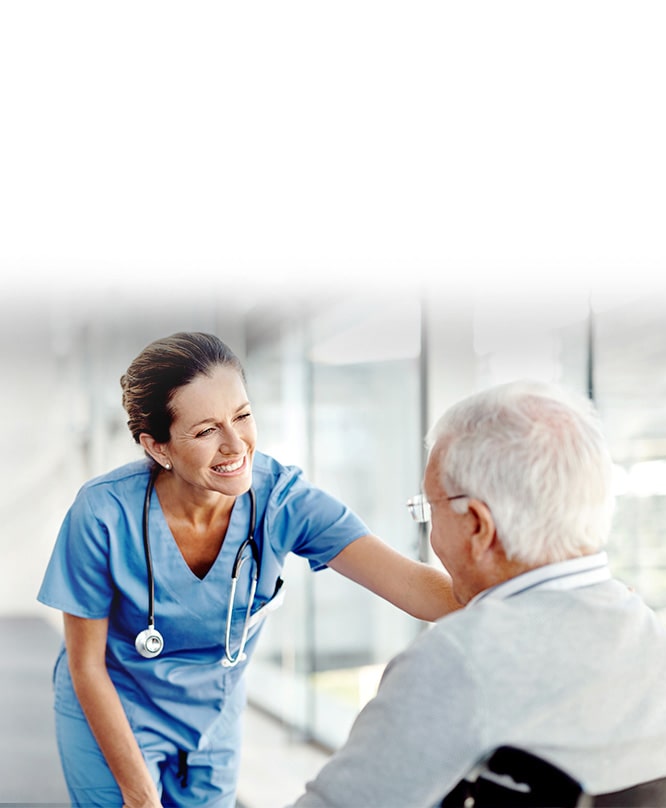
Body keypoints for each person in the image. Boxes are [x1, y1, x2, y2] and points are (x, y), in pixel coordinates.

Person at [37, 331, 460, 808]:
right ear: (158, 448)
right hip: (115, 706)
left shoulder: (283, 500)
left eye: (241, 416)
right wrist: (139, 795)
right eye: (205, 431)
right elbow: (85, 665)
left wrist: (528, 580)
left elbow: (413, 587)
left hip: (213, 717)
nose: (236, 444)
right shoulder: (102, 513)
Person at [289, 380, 666, 807]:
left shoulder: (457, 658)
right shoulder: (646, 631)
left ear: (476, 525)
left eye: (429, 510)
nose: (431, 531)